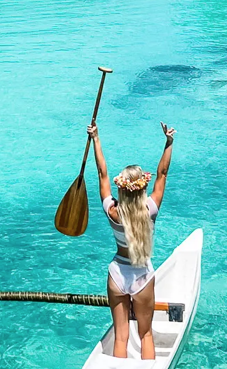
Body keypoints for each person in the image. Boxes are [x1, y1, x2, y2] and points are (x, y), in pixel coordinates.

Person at [88, 120, 176, 360]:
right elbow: (163, 173)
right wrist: (168, 142)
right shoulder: (150, 210)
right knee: (146, 334)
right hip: (142, 277)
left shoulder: (112, 212)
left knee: (121, 337)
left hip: (117, 275)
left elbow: (102, 173)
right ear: (141, 189)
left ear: (122, 189)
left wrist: (96, 138)